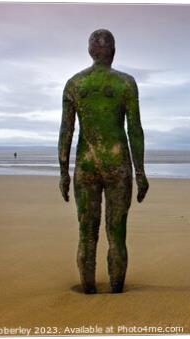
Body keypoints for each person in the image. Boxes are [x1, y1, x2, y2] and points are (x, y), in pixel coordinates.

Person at [58, 29, 149, 294]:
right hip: (117, 163)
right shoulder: (126, 83)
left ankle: (88, 288)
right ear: (113, 51)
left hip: (86, 165)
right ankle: (116, 289)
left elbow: (66, 131)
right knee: (116, 232)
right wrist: (140, 172)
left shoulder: (75, 84)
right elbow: (135, 130)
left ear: (90, 51)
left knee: (86, 232)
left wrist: (64, 172)